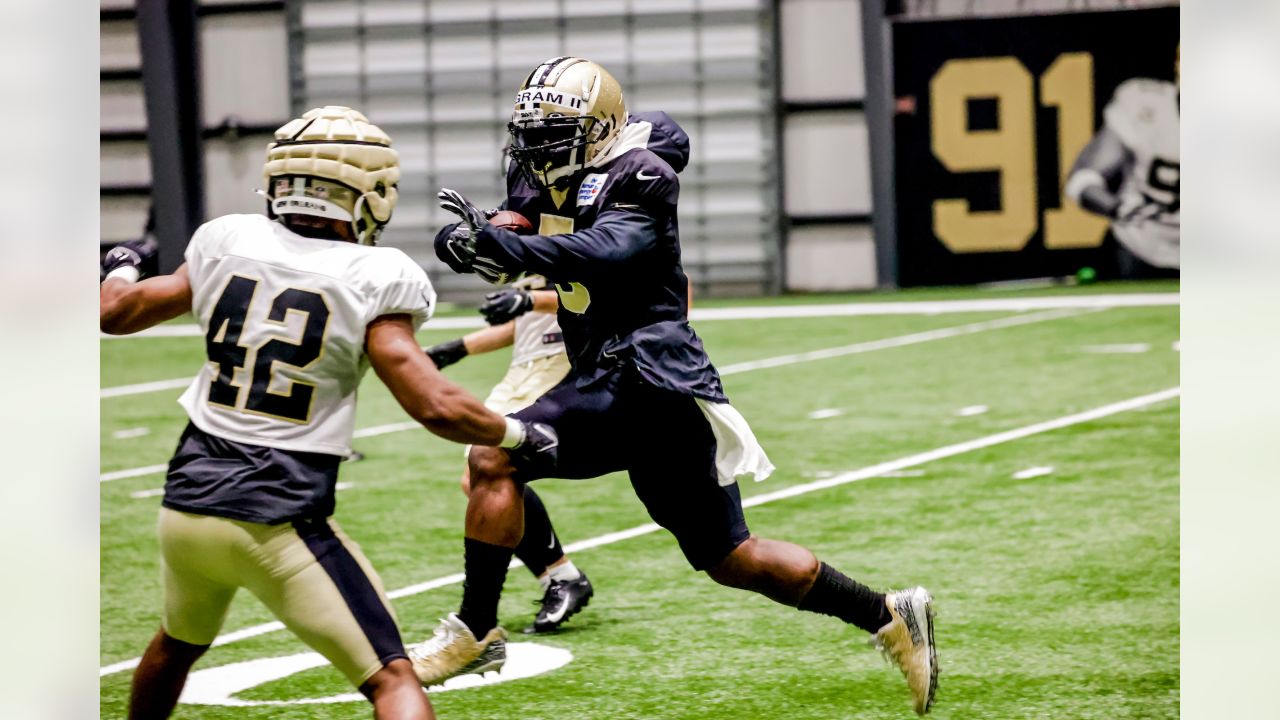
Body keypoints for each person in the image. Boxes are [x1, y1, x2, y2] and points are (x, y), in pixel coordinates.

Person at [412, 57, 939, 715]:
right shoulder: (547, 170)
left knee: (493, 454)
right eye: (533, 132)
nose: (539, 147)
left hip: (646, 378)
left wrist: (508, 249)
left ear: (600, 130)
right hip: (626, 386)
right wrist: (475, 237)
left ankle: (475, 630)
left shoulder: (641, 174)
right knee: (733, 559)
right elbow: (517, 219)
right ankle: (887, 613)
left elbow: (605, 249)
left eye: (555, 132)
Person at [99, 106, 556, 720]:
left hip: (184, 509)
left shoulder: (226, 239)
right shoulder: (377, 273)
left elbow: (117, 312)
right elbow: (434, 404)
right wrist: (518, 432)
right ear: (369, 193)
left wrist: (123, 262)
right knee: (395, 680)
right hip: (278, 513)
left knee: (175, 645)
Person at [424, 276, 594, 634]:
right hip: (524, 369)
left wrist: (530, 300)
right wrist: (454, 349)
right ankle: (561, 577)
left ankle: (561, 577)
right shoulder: (531, 242)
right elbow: (524, 325)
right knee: (475, 479)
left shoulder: (576, 231)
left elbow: (586, 295)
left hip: (560, 362)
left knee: (492, 468)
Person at [1066, 53, 1179, 278]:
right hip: (1143, 249)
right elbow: (1083, 181)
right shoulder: (1144, 105)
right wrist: (1119, 207)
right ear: (1178, 65)